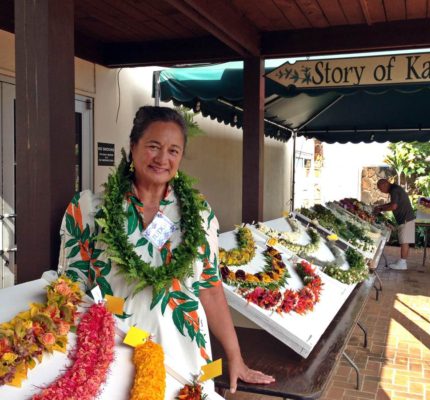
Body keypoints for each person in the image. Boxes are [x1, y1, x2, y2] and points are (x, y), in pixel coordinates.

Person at [58, 106, 275, 394]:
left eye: (174, 150)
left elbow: (210, 288)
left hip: (186, 354)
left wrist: (236, 358)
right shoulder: (88, 210)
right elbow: (71, 291)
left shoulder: (199, 215)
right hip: (117, 351)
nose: (162, 158)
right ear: (133, 147)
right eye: (153, 146)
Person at [373, 178, 415, 270]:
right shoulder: (395, 188)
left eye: (380, 188)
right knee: (404, 241)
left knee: (404, 241)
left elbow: (393, 206)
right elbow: (393, 203)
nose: (381, 191)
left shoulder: (394, 190)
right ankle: (402, 261)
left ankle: (402, 263)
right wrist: (381, 206)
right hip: (407, 217)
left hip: (405, 219)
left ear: (385, 184)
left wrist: (380, 209)